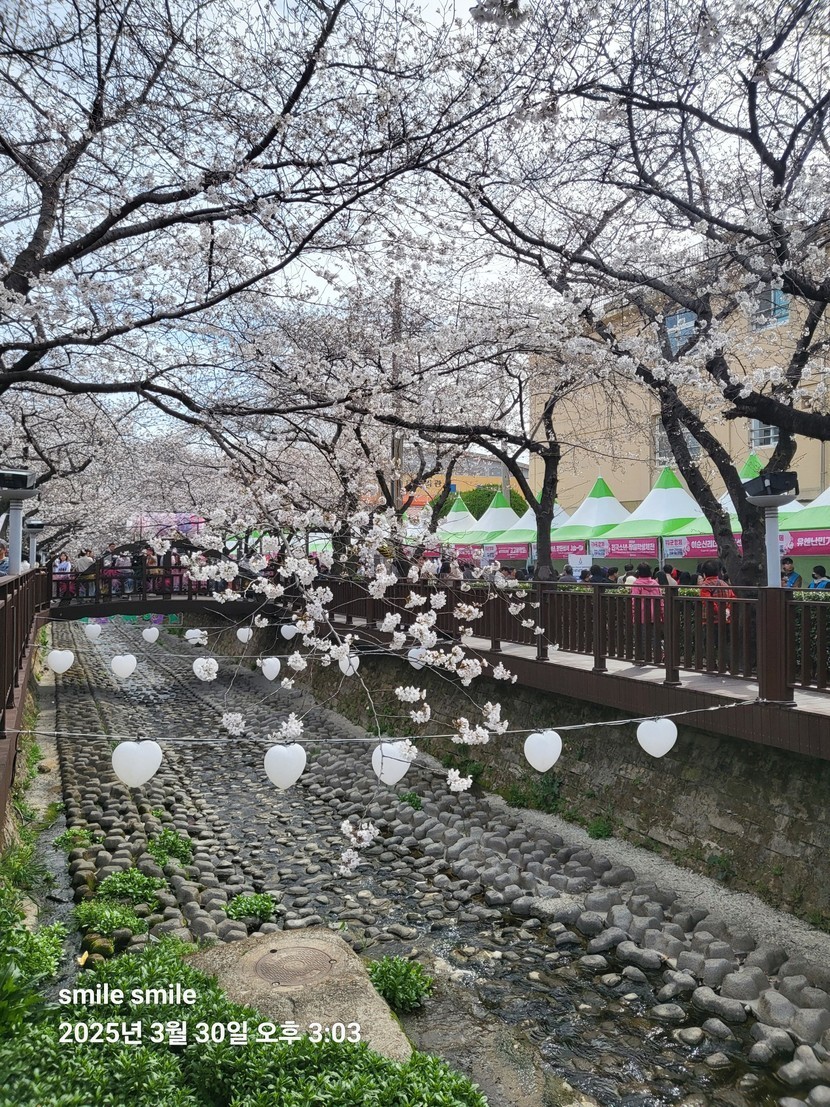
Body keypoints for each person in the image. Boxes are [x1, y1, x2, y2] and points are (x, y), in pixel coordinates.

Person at [699, 559, 736, 659]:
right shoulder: (724, 584)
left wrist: (719, 611)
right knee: (725, 644)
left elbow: (708, 602)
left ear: (704, 573)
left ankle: (712, 665)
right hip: (726, 620)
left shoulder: (705, 585)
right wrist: (727, 610)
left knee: (709, 644)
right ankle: (727, 664)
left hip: (710, 621)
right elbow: (733, 598)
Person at [631, 562, 663, 664]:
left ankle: (642, 658)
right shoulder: (655, 584)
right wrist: (662, 613)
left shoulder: (637, 584)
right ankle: (658, 657)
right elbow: (661, 600)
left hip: (641, 615)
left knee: (641, 636)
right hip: (655, 614)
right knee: (655, 636)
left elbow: (634, 601)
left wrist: (633, 614)